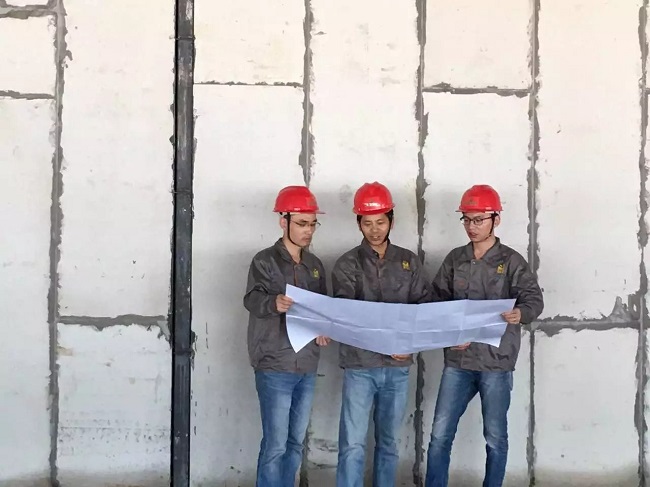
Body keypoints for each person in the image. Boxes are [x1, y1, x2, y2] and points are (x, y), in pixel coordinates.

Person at [425, 184, 544, 487]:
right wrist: (450, 332)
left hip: (496, 362)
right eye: (466, 219)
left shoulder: (511, 262)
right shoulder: (455, 259)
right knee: (439, 434)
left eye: (479, 219)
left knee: (495, 438)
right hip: (459, 361)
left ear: (496, 219)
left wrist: (521, 313)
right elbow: (436, 302)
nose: (472, 226)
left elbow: (534, 300)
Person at [332, 181, 430, 487]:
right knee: (352, 444)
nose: (374, 230)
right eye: (367, 223)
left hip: (398, 368)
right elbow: (347, 316)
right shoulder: (347, 264)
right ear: (358, 223)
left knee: (389, 444)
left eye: (380, 222)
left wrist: (410, 345)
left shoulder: (408, 262)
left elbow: (423, 310)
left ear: (391, 221)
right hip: (360, 366)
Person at [243, 185, 330, 487]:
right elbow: (251, 299)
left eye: (313, 224)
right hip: (274, 364)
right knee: (276, 445)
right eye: (302, 223)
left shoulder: (315, 266)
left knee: (294, 443)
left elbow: (322, 309)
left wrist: (323, 330)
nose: (309, 231)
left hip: (306, 364)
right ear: (284, 221)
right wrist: (272, 303)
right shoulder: (264, 261)